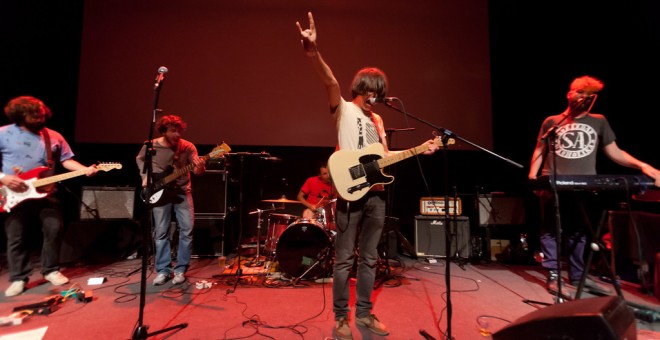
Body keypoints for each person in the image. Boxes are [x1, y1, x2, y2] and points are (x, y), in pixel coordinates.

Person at [296, 12, 439, 339]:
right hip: (350, 195)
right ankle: (341, 318)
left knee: (370, 258)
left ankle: (364, 314)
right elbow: (329, 80)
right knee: (345, 259)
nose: (379, 95)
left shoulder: (377, 122)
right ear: (367, 88)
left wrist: (422, 149)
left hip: (376, 194)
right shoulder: (344, 109)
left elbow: (385, 158)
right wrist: (311, 49)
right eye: (377, 90)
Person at [528, 75, 660, 298]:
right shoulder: (552, 121)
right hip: (554, 181)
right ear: (570, 94)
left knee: (579, 231)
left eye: (590, 95)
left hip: (584, 186)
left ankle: (578, 276)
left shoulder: (599, 121)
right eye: (580, 92)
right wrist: (533, 177)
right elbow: (540, 150)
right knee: (551, 230)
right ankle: (553, 275)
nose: (584, 97)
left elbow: (614, 152)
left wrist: (642, 165)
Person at [0, 96, 99, 297]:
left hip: (47, 192)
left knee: (54, 228)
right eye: (34, 114)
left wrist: (84, 169)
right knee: (16, 235)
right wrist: (3, 178)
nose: (39, 117)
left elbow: (66, 160)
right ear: (20, 115)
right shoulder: (3, 134)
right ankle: (19, 277)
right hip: (13, 194)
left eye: (41, 113)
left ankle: (51, 270)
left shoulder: (53, 136)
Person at [136, 114, 206, 286]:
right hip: (160, 192)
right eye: (173, 131)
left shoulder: (187, 147)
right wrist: (145, 177)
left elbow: (198, 172)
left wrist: (200, 165)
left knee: (187, 230)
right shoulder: (150, 146)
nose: (177, 135)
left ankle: (181, 269)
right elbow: (140, 160)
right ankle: (163, 270)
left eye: (179, 131)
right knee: (161, 232)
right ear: (164, 131)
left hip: (182, 192)